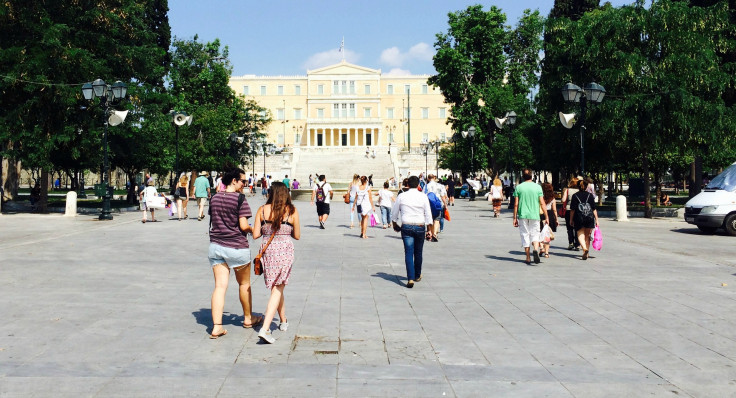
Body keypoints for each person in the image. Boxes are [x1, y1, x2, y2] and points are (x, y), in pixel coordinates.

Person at [206, 168, 261, 339]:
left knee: (220, 287)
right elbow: (243, 226)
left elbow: (214, 219)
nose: (245, 184)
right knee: (244, 284)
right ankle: (247, 318)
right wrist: (253, 229)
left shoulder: (214, 198)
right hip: (236, 246)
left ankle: (217, 327)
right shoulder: (240, 199)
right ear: (234, 181)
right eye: (243, 181)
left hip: (216, 246)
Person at [252, 182, 301, 344]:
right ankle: (265, 329)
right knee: (277, 289)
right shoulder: (292, 211)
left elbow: (255, 235)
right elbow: (298, 235)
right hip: (285, 252)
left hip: (268, 253)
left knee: (276, 288)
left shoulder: (262, 210)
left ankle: (283, 319)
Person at [391, 176, 433, 288]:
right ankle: (417, 275)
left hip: (406, 226)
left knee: (408, 252)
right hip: (420, 226)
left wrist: (395, 224)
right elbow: (428, 214)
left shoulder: (402, 196)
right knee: (418, 252)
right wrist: (430, 230)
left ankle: (410, 278)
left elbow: (394, 212)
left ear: (407, 185)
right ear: (419, 184)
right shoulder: (423, 196)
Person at [513, 169, 549, 265]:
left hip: (522, 214)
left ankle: (528, 257)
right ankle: (536, 249)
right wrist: (546, 216)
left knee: (525, 234)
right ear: (532, 176)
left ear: (522, 176)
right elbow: (542, 203)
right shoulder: (537, 187)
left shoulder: (519, 187)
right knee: (535, 233)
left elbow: (516, 204)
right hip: (535, 214)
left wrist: (514, 218)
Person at [569, 178, 599, 260]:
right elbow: (593, 209)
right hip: (589, 217)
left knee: (580, 234)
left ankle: (584, 249)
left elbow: (572, 210)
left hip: (579, 217)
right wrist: (597, 220)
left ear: (578, 187)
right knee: (587, 236)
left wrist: (571, 220)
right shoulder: (590, 196)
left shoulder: (575, 196)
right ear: (586, 187)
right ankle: (587, 252)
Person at [424, 174, 448, 242]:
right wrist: (445, 204)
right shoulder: (440, 186)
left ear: (428, 179)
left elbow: (423, 195)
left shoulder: (426, 186)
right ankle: (434, 233)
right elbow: (443, 196)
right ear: (434, 178)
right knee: (437, 219)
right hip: (438, 204)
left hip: (428, 205)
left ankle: (430, 233)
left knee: (430, 219)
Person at [560, 177, 580, 251]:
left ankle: (571, 243)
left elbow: (563, 200)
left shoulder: (567, 190)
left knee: (569, 228)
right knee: (577, 227)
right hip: (578, 211)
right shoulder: (580, 191)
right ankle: (577, 244)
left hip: (568, 210)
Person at [540, 182, 559, 258]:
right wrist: (556, 219)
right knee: (547, 234)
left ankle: (541, 247)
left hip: (541, 214)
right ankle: (547, 253)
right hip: (550, 215)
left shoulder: (540, 197)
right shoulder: (552, 198)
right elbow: (554, 210)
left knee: (540, 232)